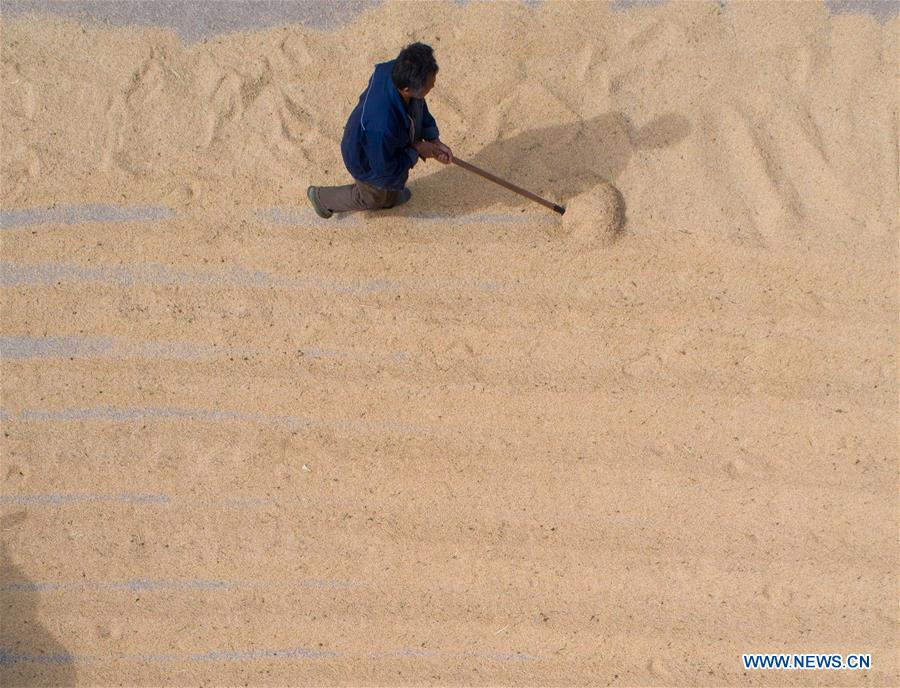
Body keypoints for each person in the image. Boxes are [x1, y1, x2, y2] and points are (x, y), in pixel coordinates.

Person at [307, 42, 453, 218]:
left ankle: (388, 197)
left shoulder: (397, 71)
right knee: (372, 197)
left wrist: (434, 140)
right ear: (407, 90)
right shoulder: (381, 125)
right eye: (429, 85)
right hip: (365, 156)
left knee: (389, 186)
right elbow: (384, 169)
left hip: (386, 140)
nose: (433, 86)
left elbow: (418, 105)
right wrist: (418, 150)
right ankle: (322, 198)